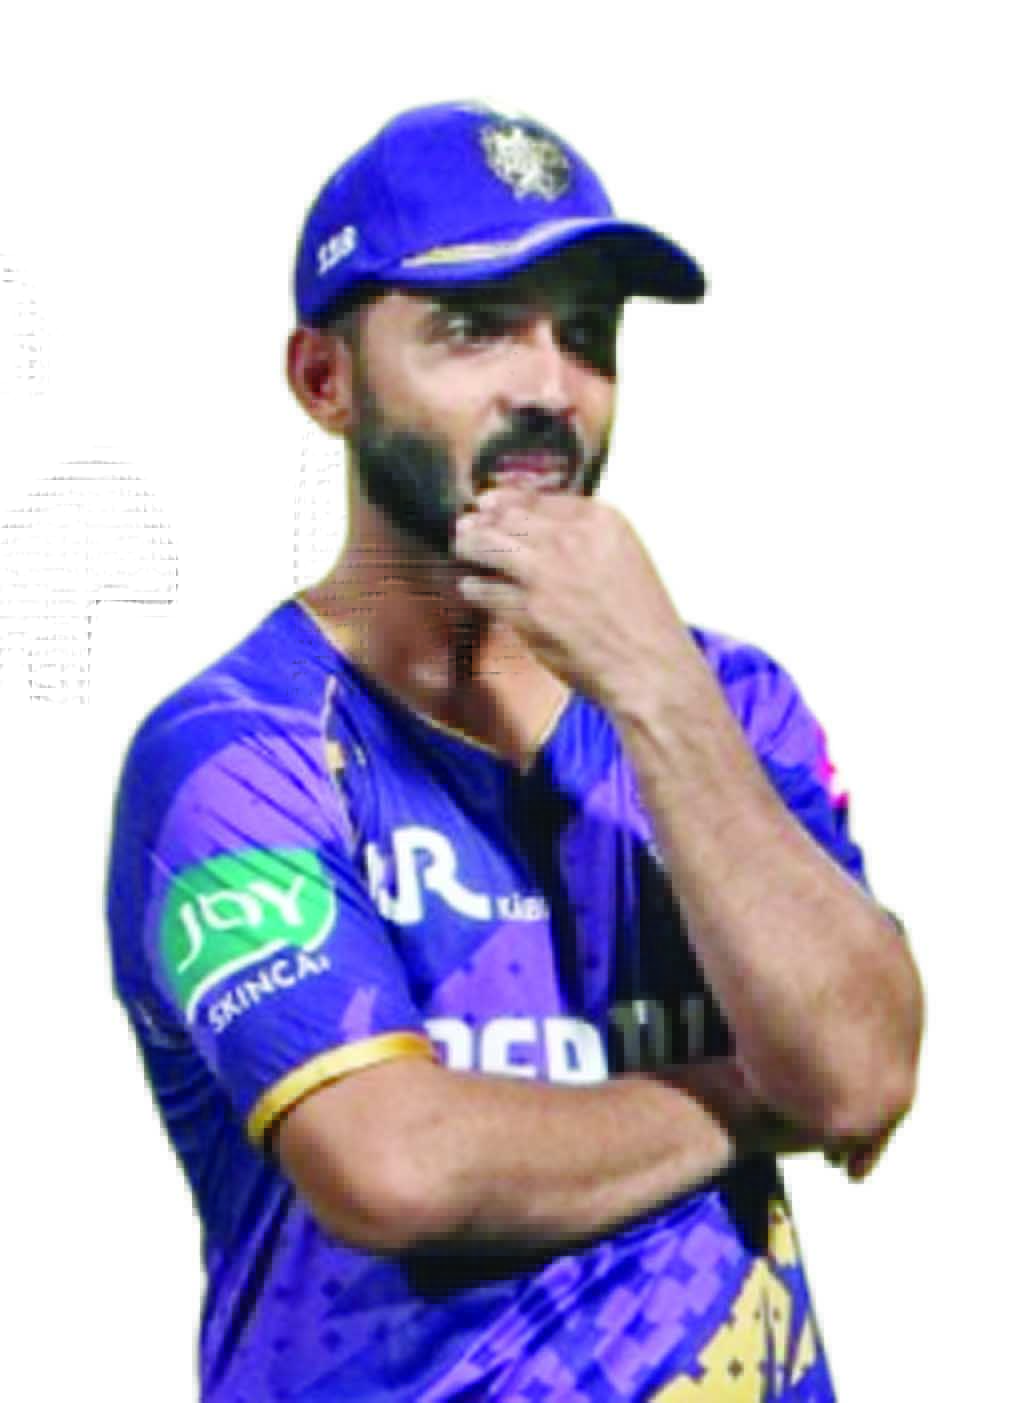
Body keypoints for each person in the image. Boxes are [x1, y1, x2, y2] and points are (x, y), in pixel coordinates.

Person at [106, 100, 923, 1402]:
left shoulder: (725, 701)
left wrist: (653, 689)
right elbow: (396, 1165)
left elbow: (864, 1069)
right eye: (475, 328)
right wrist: (752, 1097)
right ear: (325, 381)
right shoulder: (238, 748)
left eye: (586, 335)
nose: (549, 386)